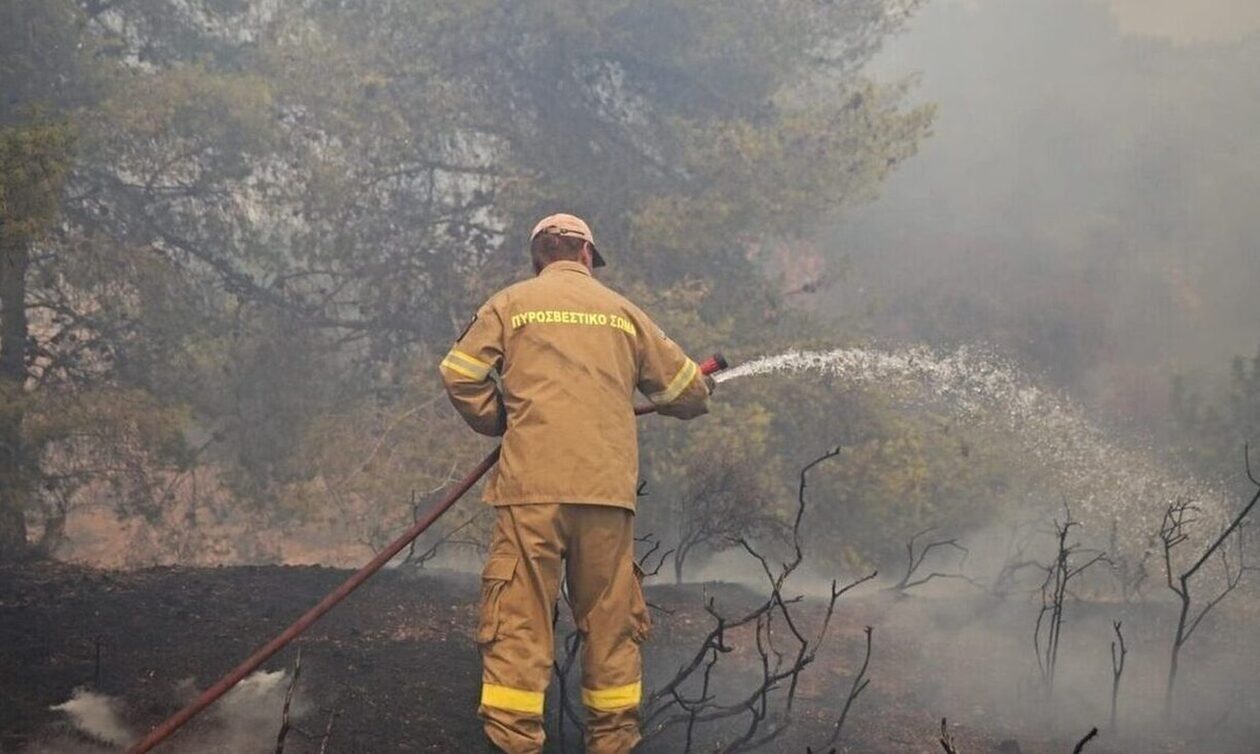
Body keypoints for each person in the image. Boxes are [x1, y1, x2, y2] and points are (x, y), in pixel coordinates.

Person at [439, 213, 711, 754]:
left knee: (519, 622)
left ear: (538, 257)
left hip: (530, 492)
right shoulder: (623, 312)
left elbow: (459, 372)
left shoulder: (510, 304)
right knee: (611, 628)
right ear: (587, 256)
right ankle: (612, 744)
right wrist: (700, 383)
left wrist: (500, 419)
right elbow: (687, 393)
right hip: (606, 498)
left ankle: (516, 745)